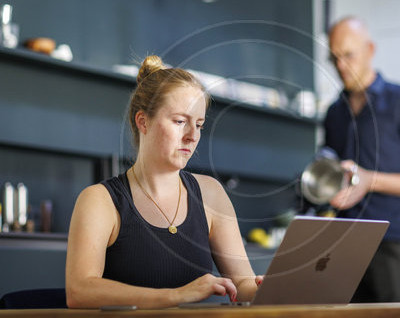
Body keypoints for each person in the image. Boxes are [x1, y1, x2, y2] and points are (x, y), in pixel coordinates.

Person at [65, 55, 262, 309]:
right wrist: (176, 295)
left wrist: (263, 289)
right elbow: (79, 291)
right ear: (143, 121)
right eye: (180, 122)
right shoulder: (100, 200)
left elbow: (243, 284)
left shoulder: (211, 193)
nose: (192, 136)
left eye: (199, 125)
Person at [324, 16, 400, 302]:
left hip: (392, 241)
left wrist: (369, 181)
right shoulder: (334, 113)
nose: (341, 66)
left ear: (370, 50)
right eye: (334, 58)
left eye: (348, 55)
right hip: (343, 243)